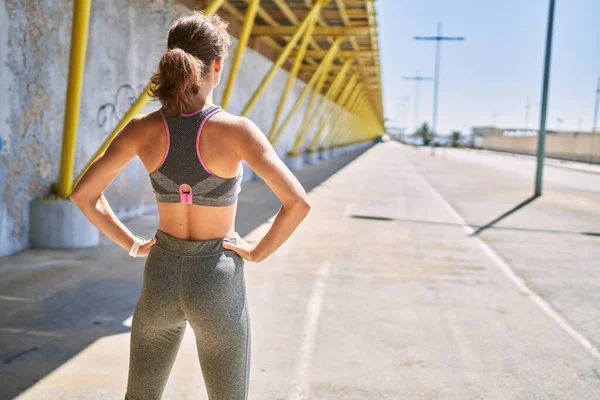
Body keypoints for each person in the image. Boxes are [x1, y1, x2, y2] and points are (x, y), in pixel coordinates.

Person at [69, 11, 311, 400]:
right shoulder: (236, 132)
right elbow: (297, 202)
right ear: (216, 65)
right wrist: (257, 251)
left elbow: (83, 196)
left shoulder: (140, 129)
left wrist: (132, 244)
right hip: (217, 278)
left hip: (161, 273)